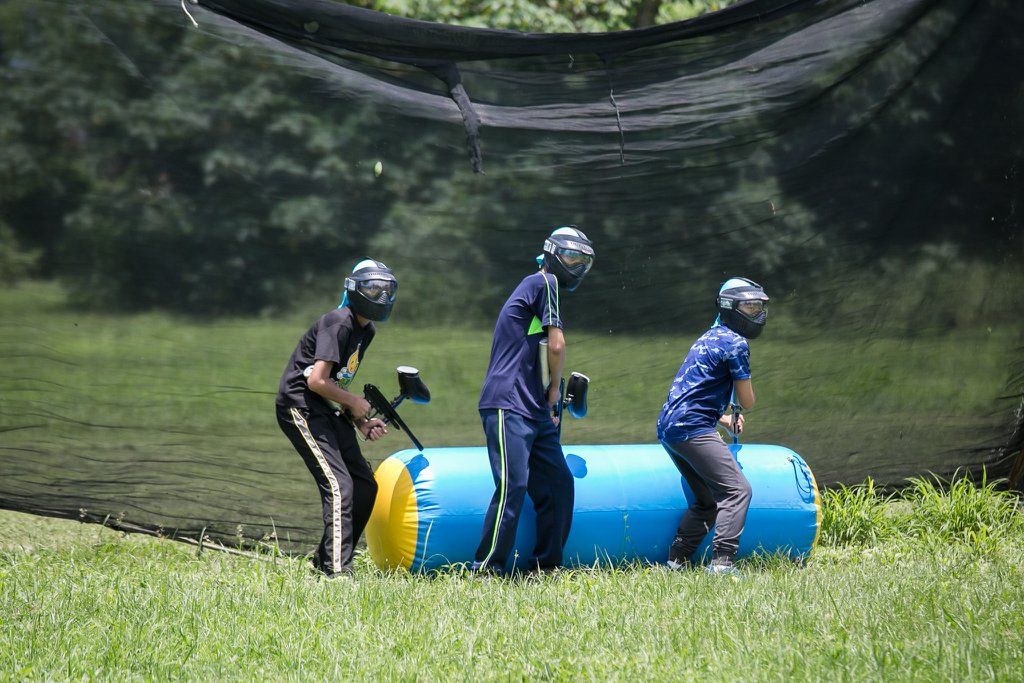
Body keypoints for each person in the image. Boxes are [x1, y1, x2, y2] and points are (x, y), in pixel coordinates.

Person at [472, 226, 595, 576]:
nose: (576, 267)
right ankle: (486, 569)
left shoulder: (538, 288)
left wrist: (545, 403)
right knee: (514, 485)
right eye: (571, 258)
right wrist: (555, 389)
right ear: (552, 255)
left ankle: (545, 566)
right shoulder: (545, 283)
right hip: (507, 402)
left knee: (558, 482)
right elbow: (556, 346)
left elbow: (537, 348)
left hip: (531, 406)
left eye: (583, 261)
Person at [275, 258, 398, 579]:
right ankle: (337, 572)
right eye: (373, 288)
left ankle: (324, 561)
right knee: (339, 485)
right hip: (300, 406)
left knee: (365, 486)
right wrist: (355, 403)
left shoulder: (364, 330)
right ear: (355, 289)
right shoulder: (338, 322)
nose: (381, 296)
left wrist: (360, 420)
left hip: (325, 408)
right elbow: (316, 381)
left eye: (387, 289)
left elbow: (336, 384)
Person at [655, 277, 770, 574]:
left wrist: (723, 418)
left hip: (670, 426)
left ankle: (676, 561)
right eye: (749, 306)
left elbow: (691, 390)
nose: (756, 313)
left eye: (759, 306)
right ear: (730, 307)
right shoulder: (736, 343)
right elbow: (748, 400)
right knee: (737, 491)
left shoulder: (708, 336)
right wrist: (738, 398)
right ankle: (722, 564)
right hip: (692, 427)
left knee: (706, 500)